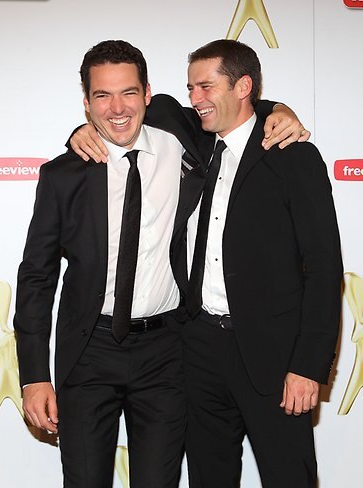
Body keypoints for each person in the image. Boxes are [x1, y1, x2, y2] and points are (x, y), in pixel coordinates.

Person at [15, 40, 308, 488]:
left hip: (167, 354)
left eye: (129, 93)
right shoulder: (63, 175)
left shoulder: (182, 135)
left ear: (149, 94)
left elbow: (237, 105)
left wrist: (280, 109)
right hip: (88, 351)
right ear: (86, 103)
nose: (117, 108)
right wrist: (34, 376)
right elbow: (36, 278)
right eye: (101, 96)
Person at [175, 40, 342, 487]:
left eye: (206, 86)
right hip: (201, 349)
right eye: (191, 87)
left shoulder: (293, 156)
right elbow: (127, 113)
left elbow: (324, 268)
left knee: (289, 477)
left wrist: (308, 365)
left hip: (275, 356)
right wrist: (80, 132)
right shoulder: (195, 142)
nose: (195, 98)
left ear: (243, 86)